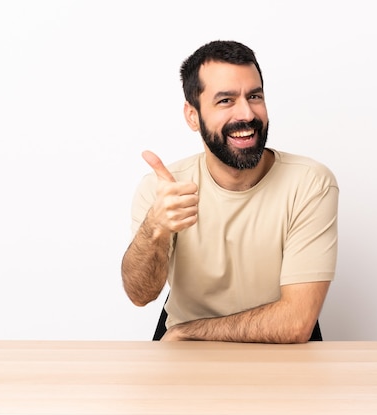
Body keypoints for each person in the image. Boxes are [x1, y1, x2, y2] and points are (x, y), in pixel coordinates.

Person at [121, 40, 338, 343]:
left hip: (278, 347)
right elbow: (140, 295)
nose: (247, 114)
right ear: (192, 115)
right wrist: (155, 228)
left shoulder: (310, 183)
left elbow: (297, 322)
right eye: (225, 100)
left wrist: (188, 332)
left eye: (254, 96)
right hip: (184, 352)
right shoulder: (164, 189)